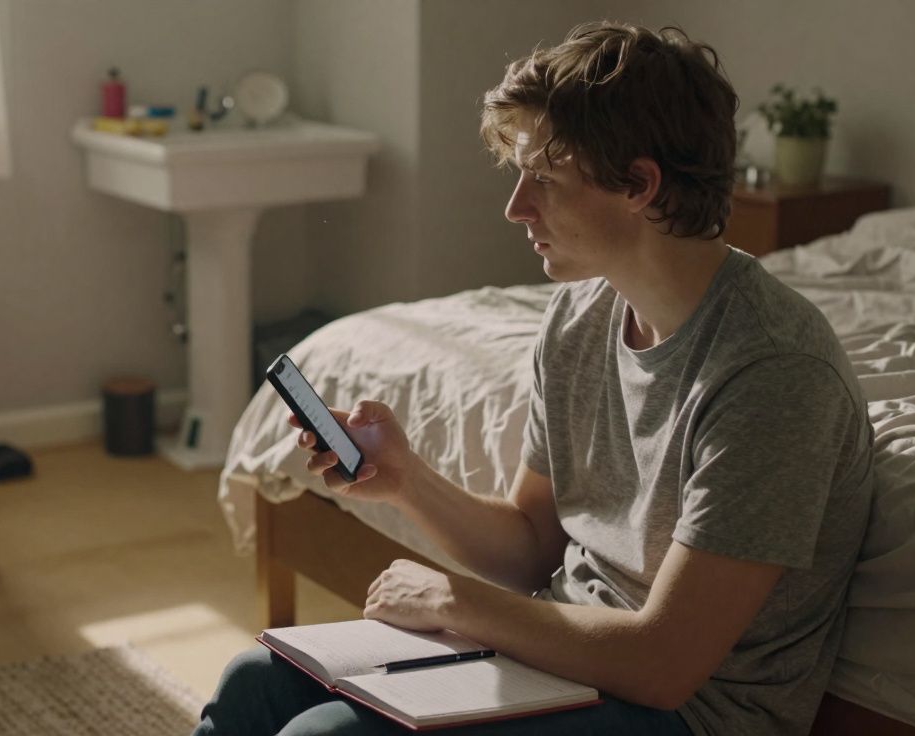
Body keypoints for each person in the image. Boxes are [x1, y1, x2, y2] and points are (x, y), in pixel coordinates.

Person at [194, 20, 873, 736]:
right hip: (560, 657)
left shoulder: (773, 373)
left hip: (688, 715)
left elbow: (664, 666)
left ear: (641, 185)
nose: (517, 206)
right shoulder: (580, 318)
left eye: (545, 180)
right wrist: (406, 481)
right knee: (252, 685)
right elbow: (534, 547)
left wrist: (457, 602)